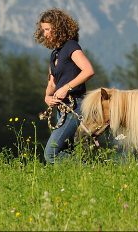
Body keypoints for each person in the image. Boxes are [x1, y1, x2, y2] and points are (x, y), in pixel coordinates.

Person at [35, 8, 95, 164]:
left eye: (47, 29)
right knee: (65, 152)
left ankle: (93, 171)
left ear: (58, 28)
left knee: (51, 153)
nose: (44, 33)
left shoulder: (71, 47)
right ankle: (82, 179)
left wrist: (67, 87)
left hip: (75, 106)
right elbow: (52, 84)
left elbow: (88, 70)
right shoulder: (54, 54)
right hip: (62, 109)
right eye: (43, 30)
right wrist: (47, 97)